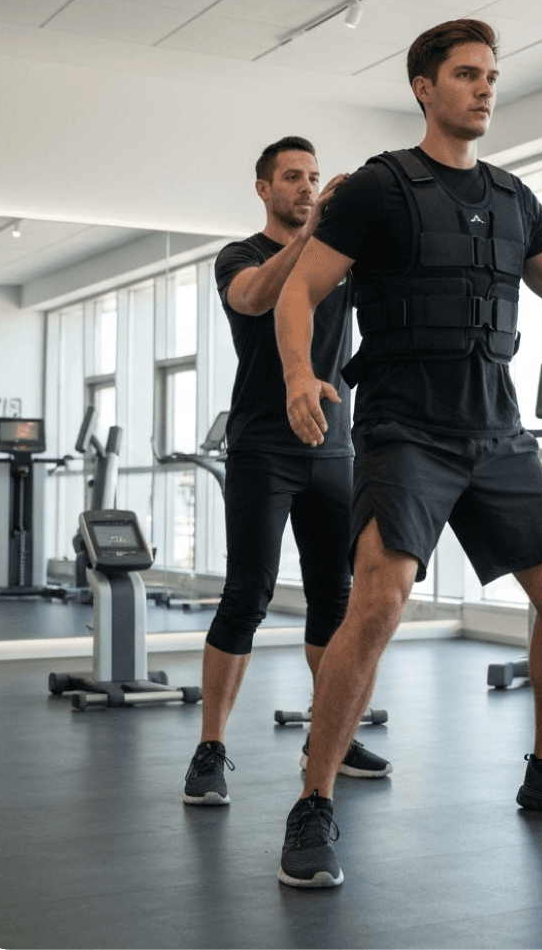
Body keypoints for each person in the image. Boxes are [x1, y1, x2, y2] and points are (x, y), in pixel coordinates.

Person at [274, 20, 542, 888]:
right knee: (380, 596)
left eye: (492, 76)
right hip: (407, 424)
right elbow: (299, 290)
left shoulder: (515, 199)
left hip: (495, 427)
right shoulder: (378, 189)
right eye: (467, 74)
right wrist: (298, 376)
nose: (484, 88)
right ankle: (314, 799)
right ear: (423, 87)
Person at [182, 136, 392, 808]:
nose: (306, 187)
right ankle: (211, 746)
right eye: (293, 178)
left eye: (314, 177)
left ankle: (326, 737)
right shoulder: (241, 255)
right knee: (249, 593)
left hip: (333, 449)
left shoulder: (341, 263)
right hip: (262, 448)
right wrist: (313, 237)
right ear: (264, 188)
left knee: (336, 597)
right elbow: (256, 298)